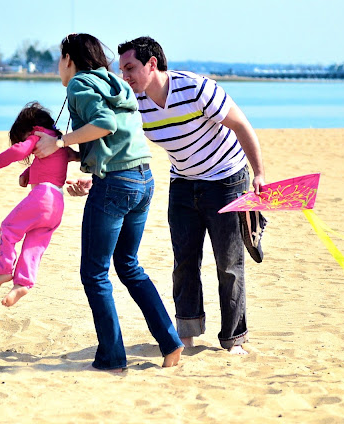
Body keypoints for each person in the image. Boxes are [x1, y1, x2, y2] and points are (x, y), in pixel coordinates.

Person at [34, 33, 184, 371]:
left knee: (94, 274)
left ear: (69, 59)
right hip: (142, 179)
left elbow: (104, 124)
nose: (58, 67)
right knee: (128, 265)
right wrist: (77, 157)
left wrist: (59, 145)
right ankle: (171, 342)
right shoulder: (115, 83)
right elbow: (115, 136)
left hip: (117, 184)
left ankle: (113, 357)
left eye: (60, 59)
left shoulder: (79, 85)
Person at [114, 36, 266, 355]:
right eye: (121, 69)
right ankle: (187, 333)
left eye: (130, 68)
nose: (124, 76)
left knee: (228, 263)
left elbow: (241, 125)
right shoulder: (135, 102)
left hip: (227, 180)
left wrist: (259, 174)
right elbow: (117, 141)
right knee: (184, 262)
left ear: (152, 64)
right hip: (183, 183)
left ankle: (234, 339)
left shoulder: (196, 88)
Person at [0, 101, 75, 307]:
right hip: (57, 203)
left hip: (42, 195)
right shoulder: (57, 142)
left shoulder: (38, 136)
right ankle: (22, 284)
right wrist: (27, 174)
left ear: (30, 129)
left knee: (8, 228)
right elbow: (49, 164)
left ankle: (5, 270)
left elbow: (17, 152)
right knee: (35, 245)